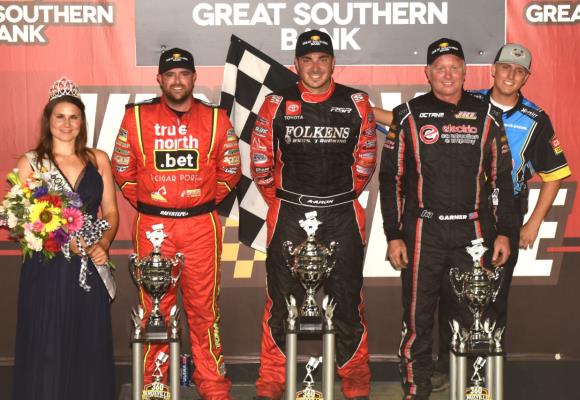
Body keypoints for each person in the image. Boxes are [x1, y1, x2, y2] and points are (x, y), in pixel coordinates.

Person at [378, 38, 518, 399]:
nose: (447, 74)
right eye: (439, 68)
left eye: (454, 67)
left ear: (465, 72)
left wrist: (504, 232)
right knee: (417, 319)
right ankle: (416, 391)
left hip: (474, 231)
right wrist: (393, 234)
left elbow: (502, 177)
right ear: (427, 73)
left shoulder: (488, 115)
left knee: (473, 317)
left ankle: (469, 389)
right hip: (423, 229)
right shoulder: (408, 115)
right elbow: (390, 178)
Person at [250, 30, 376, 400]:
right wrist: (286, 200)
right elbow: (261, 162)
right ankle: (270, 386)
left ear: (333, 63)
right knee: (280, 301)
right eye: (308, 60)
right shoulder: (275, 103)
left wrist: (336, 198)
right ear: (296, 65)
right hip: (288, 210)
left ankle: (356, 385)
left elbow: (366, 161)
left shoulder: (357, 102)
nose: (316, 67)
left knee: (349, 302)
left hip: (342, 213)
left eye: (323, 59)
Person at [111, 48, 241, 399]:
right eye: (171, 74)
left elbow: (230, 171)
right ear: (160, 80)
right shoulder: (137, 118)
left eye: (184, 73)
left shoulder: (216, 119)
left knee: (204, 311)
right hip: (154, 227)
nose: (178, 80)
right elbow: (122, 169)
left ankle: (213, 385)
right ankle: (156, 384)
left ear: (195, 77)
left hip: (201, 226)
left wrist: (198, 199)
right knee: (156, 309)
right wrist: (154, 202)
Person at [12, 77, 119, 400]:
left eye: (74, 116)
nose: (67, 123)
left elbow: (111, 213)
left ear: (81, 121)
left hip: (89, 266)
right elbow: (21, 224)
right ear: (49, 120)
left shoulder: (98, 159)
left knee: (89, 341)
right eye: (60, 116)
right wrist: (61, 241)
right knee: (48, 342)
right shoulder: (31, 162)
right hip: (47, 270)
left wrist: (103, 244)